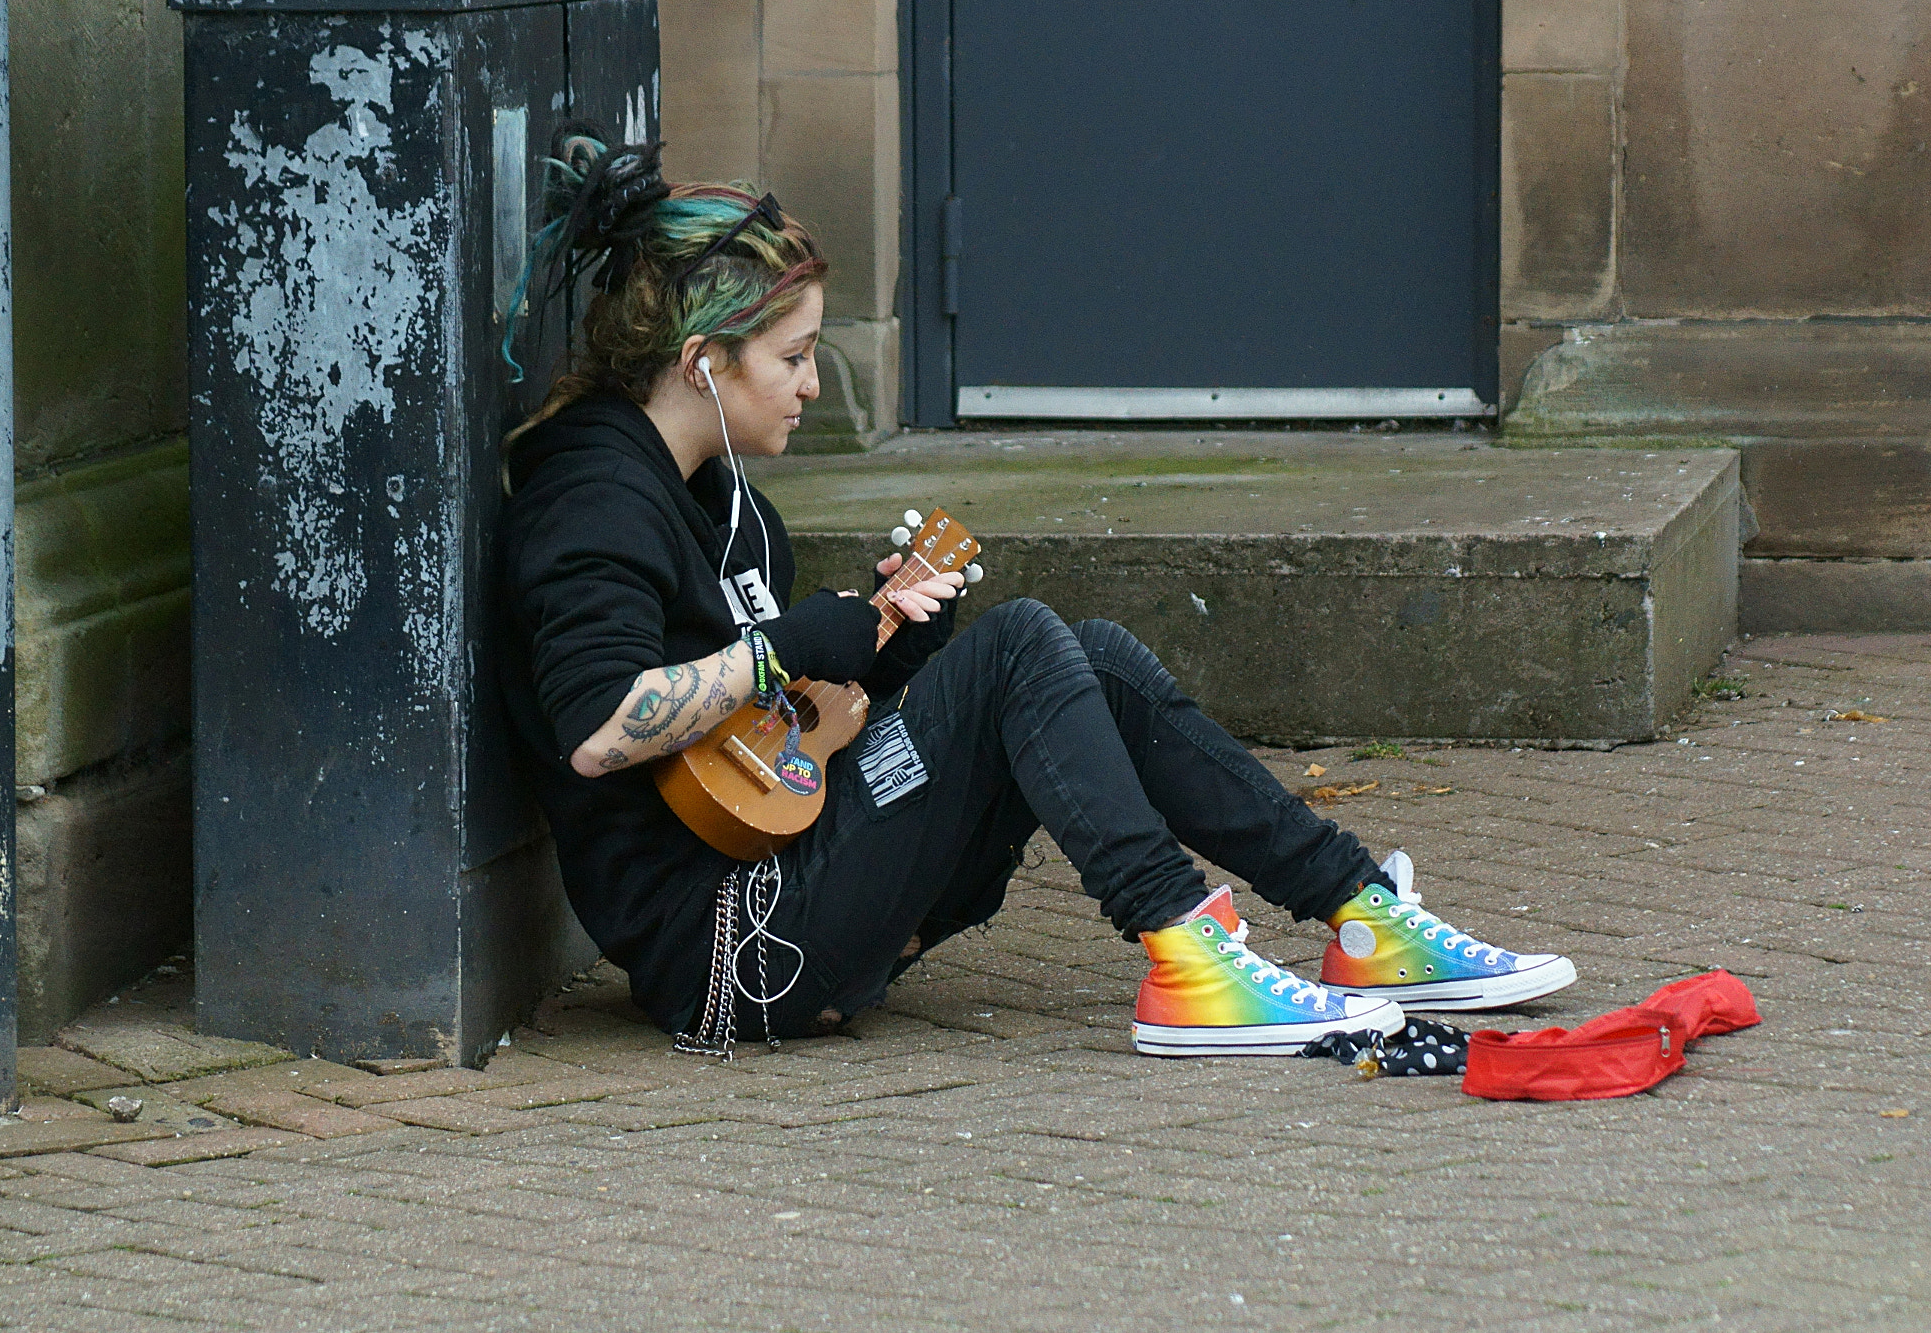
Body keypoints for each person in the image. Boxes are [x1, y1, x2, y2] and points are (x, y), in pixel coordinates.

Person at [497, 125, 1576, 1058]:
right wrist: (784, 645)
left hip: (788, 867)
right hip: (735, 947)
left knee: (1086, 654)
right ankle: (1186, 957)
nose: (814, 386)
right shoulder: (592, 501)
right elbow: (599, 726)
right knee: (1020, 645)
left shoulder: (723, 498)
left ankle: (1356, 915)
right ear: (700, 361)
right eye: (792, 358)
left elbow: (771, 743)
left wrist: (884, 644)